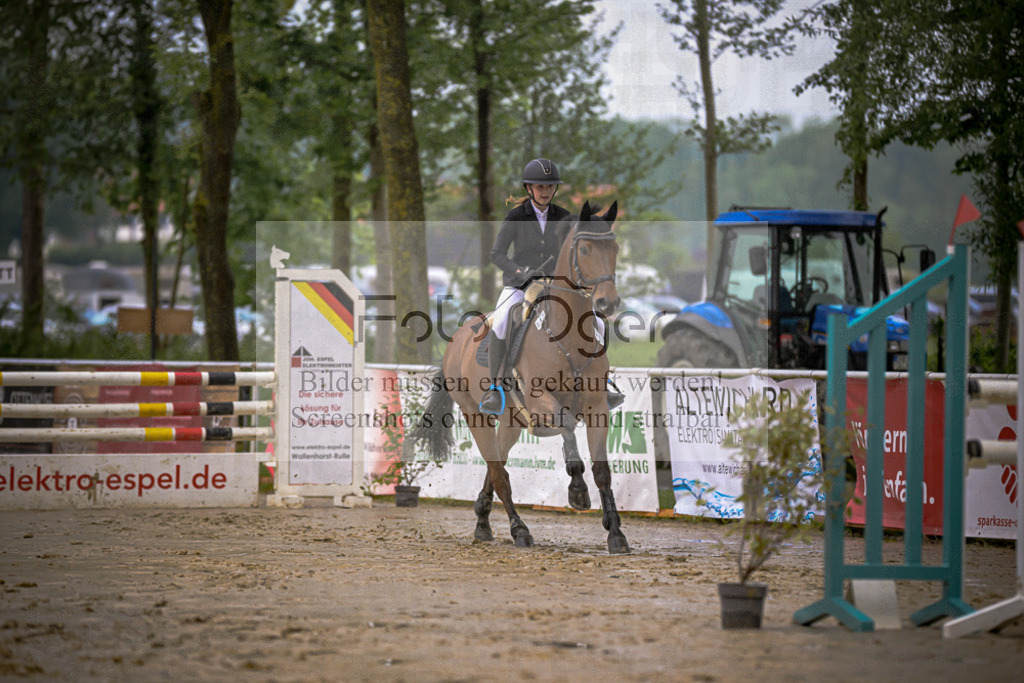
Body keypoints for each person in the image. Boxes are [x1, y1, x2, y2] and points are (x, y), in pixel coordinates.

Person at [481, 158, 624, 414]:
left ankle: (606, 381)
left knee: (599, 323)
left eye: (549, 187)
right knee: (501, 320)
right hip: (520, 284)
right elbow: (496, 254)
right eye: (540, 186)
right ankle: (495, 389)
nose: (545, 191)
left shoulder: (563, 216)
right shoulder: (516, 216)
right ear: (529, 188)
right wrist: (518, 270)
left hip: (556, 285)